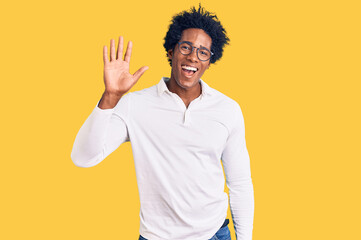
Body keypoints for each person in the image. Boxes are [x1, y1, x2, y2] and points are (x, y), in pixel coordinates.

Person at [71, 5, 254, 240]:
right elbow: (83, 157)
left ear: (210, 61)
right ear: (171, 51)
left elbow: (240, 183)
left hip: (214, 234)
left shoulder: (227, 109)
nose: (192, 57)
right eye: (186, 47)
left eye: (203, 52)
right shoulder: (134, 105)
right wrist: (110, 97)